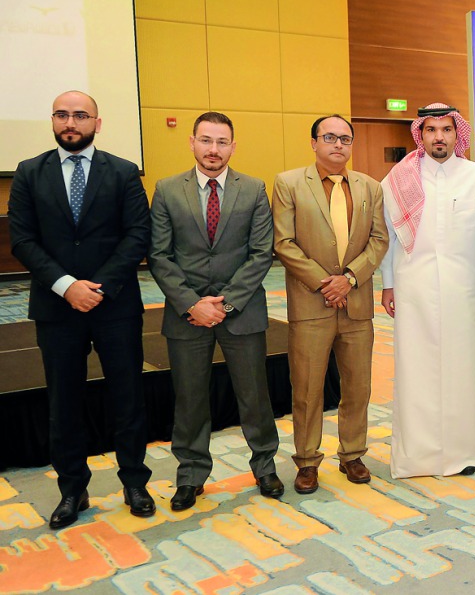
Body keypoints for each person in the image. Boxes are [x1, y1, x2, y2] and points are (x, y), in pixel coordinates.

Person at [8, 91, 154, 528]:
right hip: (57, 309)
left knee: (128, 398)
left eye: (80, 115)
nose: (70, 122)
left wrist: (100, 288)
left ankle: (135, 482)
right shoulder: (29, 173)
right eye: (62, 114)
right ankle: (73, 490)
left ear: (97, 122)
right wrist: (67, 286)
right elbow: (22, 240)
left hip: (116, 308)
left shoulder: (125, 173)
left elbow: (137, 236)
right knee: (64, 402)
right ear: (53, 120)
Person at [147, 112, 284, 510]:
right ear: (191, 142)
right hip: (186, 313)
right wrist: (192, 303)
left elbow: (262, 254)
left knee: (254, 395)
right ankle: (190, 475)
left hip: (240, 312)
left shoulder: (254, 188)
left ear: (233, 146)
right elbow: (159, 255)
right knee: (189, 399)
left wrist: (223, 304)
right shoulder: (168, 189)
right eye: (206, 140)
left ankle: (265, 467)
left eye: (222, 142)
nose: (213, 149)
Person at [271, 115, 387, 494]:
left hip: (356, 305)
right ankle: (306, 461)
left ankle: (352, 454)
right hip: (311, 305)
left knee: (358, 387)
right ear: (314, 142)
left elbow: (378, 240)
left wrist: (349, 278)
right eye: (330, 137)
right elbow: (284, 242)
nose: (338, 144)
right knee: (307, 389)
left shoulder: (370, 187)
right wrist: (326, 283)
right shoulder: (289, 183)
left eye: (345, 139)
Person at [380, 103, 475, 478]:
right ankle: (419, 457)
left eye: (446, 130)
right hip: (413, 289)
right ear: (420, 134)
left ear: (457, 134)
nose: (439, 137)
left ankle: (467, 452)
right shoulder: (397, 179)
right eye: (431, 130)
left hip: (465, 289)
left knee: (466, 371)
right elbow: (388, 241)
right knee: (417, 371)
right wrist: (387, 285)